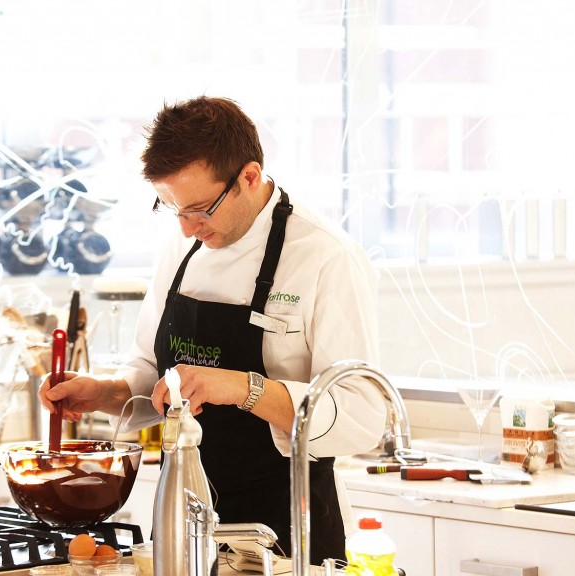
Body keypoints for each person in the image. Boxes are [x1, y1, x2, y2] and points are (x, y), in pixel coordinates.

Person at [40, 96, 386, 564]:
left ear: (249, 177)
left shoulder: (326, 257)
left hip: (287, 533)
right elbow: (153, 371)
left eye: (201, 209)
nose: (187, 229)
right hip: (183, 528)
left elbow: (361, 417)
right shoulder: (185, 243)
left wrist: (243, 388)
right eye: (172, 209)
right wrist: (104, 393)